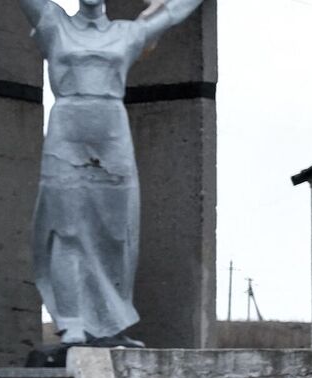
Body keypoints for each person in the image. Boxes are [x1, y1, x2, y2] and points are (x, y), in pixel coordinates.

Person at [16, 0, 206, 347]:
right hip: (68, 130)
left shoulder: (128, 33)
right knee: (66, 229)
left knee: (115, 235)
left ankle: (109, 325)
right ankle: (72, 321)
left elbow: (172, 11)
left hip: (112, 133)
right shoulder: (54, 22)